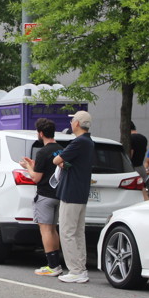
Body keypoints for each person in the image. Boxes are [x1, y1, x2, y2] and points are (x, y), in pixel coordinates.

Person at [53, 110, 94, 283]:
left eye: (72, 121)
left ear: (77, 123)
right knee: (78, 232)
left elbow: (56, 160)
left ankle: (75, 270)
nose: (71, 123)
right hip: (81, 192)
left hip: (70, 192)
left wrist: (62, 162)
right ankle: (81, 268)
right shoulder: (89, 142)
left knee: (67, 232)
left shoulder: (78, 142)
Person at [20, 118, 64, 276]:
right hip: (58, 195)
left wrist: (28, 167)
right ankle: (57, 263)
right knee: (53, 229)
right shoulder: (61, 149)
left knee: (45, 230)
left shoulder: (42, 152)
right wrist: (34, 165)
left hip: (45, 195)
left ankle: (52, 266)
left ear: (40, 133)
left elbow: (36, 178)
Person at [129, 121, 149, 200]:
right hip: (141, 167)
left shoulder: (130, 138)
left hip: (133, 169)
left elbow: (131, 153)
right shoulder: (143, 138)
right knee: (144, 192)